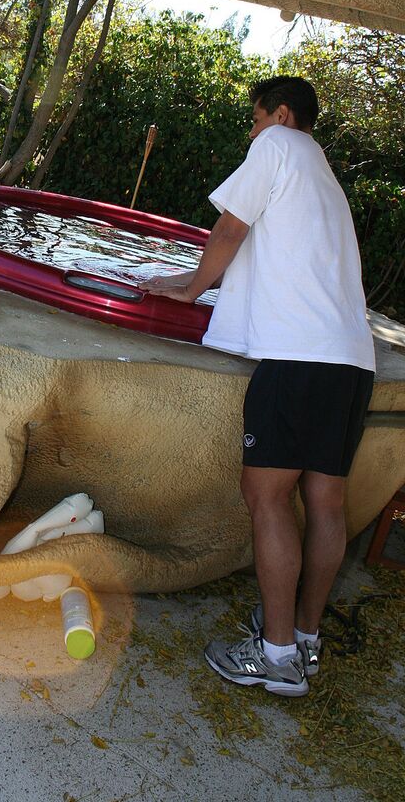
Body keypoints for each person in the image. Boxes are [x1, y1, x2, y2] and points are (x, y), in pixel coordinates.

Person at [140, 75, 375, 698]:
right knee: (325, 505)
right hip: (351, 362)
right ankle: (304, 640)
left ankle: (273, 658)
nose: (251, 130)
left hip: (298, 359)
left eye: (255, 118)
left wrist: (191, 287)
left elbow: (229, 228)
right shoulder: (325, 175)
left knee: (266, 497)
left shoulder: (277, 146)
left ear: (282, 115)